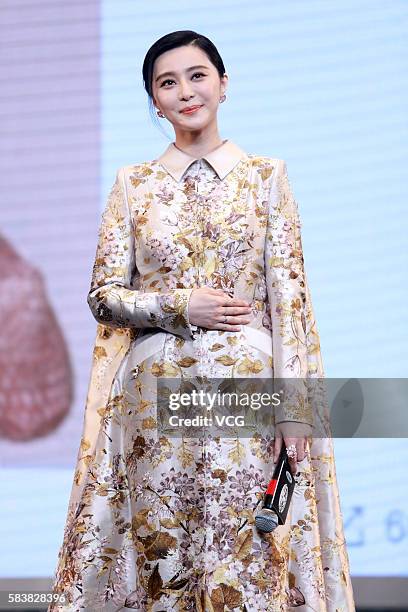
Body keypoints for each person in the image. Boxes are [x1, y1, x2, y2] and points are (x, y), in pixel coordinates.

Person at [49, 30, 355, 611]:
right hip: (154, 398)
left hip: (251, 398)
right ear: (154, 100)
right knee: (164, 556)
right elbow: (102, 295)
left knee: (248, 557)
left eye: (197, 75)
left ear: (223, 83)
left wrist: (297, 414)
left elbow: (290, 302)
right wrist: (177, 306)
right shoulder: (132, 186)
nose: (186, 91)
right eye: (168, 83)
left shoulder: (267, 177)